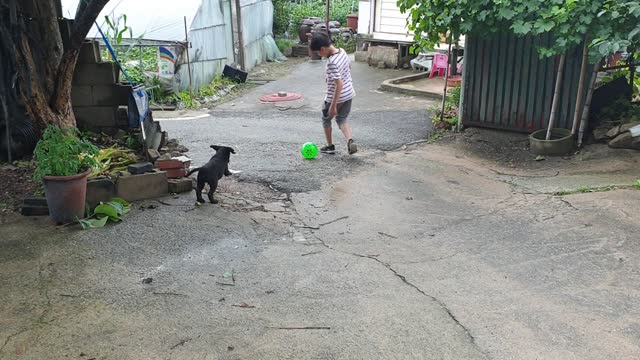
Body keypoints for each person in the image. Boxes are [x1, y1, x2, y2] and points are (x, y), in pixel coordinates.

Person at [309, 32, 357, 155]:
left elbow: (339, 84)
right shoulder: (342, 52)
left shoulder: (331, 63)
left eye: (318, 53)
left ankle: (330, 146)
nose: (319, 55)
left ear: (322, 49)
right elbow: (348, 67)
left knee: (326, 119)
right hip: (349, 93)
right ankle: (349, 140)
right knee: (342, 119)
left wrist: (333, 105)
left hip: (335, 97)